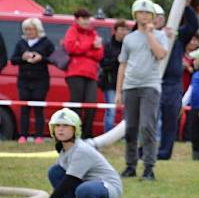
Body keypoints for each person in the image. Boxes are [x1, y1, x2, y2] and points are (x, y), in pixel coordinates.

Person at [30, 108, 123, 198]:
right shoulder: (64, 148)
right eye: (57, 125)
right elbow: (63, 180)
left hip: (109, 188)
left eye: (65, 125)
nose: (60, 129)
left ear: (75, 129)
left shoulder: (81, 150)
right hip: (89, 184)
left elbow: (69, 181)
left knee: (83, 190)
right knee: (55, 172)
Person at [116, 0, 168, 181]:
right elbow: (122, 64)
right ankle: (130, 165)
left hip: (150, 86)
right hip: (131, 86)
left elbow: (161, 54)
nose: (144, 15)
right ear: (135, 15)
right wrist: (118, 91)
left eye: (147, 13)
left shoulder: (160, 35)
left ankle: (149, 167)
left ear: (152, 16)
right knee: (130, 128)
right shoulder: (129, 39)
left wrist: (150, 34)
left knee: (148, 126)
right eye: (141, 12)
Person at [158, 4, 199, 161]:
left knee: (170, 118)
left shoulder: (177, 35)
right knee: (150, 119)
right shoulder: (148, 34)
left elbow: (193, 26)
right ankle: (145, 151)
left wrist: (186, 5)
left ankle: (164, 152)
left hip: (173, 83)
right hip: (155, 80)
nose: (159, 20)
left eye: (162, 17)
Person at [11, 17, 54, 143]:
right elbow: (13, 60)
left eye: (31, 29)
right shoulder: (21, 43)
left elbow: (54, 58)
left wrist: (41, 58)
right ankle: (23, 135)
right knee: (24, 109)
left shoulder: (46, 43)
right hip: (24, 80)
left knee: (38, 108)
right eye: (26, 29)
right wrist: (23, 57)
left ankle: (39, 136)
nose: (29, 32)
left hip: (40, 80)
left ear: (37, 30)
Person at [63, 8, 104, 138]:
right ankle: (74, 133)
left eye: (88, 18)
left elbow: (99, 54)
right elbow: (70, 48)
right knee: (76, 104)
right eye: (83, 18)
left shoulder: (93, 33)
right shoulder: (72, 31)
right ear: (77, 19)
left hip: (91, 74)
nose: (86, 21)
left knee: (91, 104)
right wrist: (91, 45)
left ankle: (86, 134)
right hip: (75, 73)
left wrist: (83, 47)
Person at [100, 20, 129, 134]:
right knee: (111, 111)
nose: (124, 32)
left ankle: (124, 135)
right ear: (115, 31)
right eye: (121, 29)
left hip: (127, 83)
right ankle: (108, 134)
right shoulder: (107, 46)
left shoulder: (129, 46)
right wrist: (117, 60)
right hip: (110, 83)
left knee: (127, 112)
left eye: (126, 30)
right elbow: (103, 63)